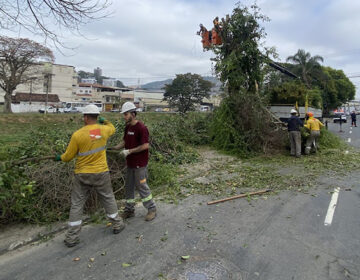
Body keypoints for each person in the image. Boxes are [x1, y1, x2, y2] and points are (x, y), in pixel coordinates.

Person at [55, 104, 125, 247]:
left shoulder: (78, 135)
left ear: (86, 117)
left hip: (82, 174)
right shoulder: (102, 131)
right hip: (101, 172)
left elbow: (68, 157)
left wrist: (59, 158)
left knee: (77, 204)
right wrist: (104, 121)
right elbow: (113, 128)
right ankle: (117, 224)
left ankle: (72, 237)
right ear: (97, 117)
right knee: (108, 198)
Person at [111, 102, 156, 221]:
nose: (124, 116)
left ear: (133, 113)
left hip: (140, 164)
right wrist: (116, 147)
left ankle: (151, 209)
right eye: (124, 114)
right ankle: (129, 210)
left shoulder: (141, 128)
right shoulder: (128, 127)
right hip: (130, 163)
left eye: (126, 114)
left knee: (142, 186)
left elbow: (145, 145)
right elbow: (125, 141)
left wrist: (129, 151)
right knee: (129, 187)